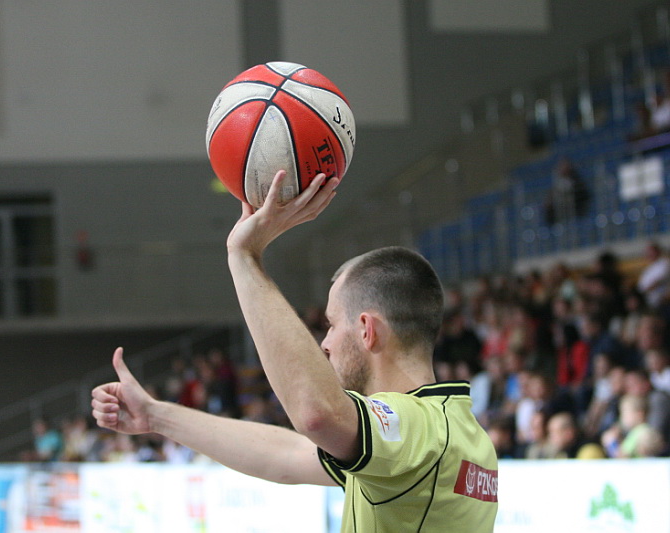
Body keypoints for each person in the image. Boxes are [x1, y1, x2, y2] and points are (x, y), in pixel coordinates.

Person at [92, 171, 498, 532]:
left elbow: (317, 415)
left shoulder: (419, 430)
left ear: (366, 330)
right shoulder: (461, 434)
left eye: (332, 324)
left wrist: (244, 258)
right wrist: (157, 416)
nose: (325, 343)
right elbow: (285, 455)